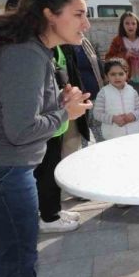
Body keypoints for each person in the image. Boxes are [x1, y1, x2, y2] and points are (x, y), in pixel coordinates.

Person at [0, 0, 92, 277]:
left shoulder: (26, 48)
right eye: (78, 14)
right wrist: (65, 113)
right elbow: (22, 130)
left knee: (14, 255)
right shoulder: (24, 53)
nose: (86, 23)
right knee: (18, 257)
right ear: (50, 14)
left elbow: (22, 114)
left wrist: (60, 107)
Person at [34, 44, 87, 234]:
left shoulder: (55, 48)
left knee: (51, 171)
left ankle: (53, 211)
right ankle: (48, 218)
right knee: (45, 174)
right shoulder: (32, 50)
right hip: (43, 126)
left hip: (55, 126)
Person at [93, 58, 139, 139]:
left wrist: (133, 116)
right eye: (113, 74)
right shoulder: (103, 93)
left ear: (126, 74)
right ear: (107, 76)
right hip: (113, 136)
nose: (117, 77)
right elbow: (97, 114)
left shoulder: (132, 91)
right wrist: (113, 119)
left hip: (134, 133)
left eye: (121, 74)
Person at [73, 37, 105, 144]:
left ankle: (103, 150)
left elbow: (97, 64)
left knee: (98, 126)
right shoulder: (63, 46)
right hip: (77, 98)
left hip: (95, 92)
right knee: (81, 129)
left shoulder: (85, 42)